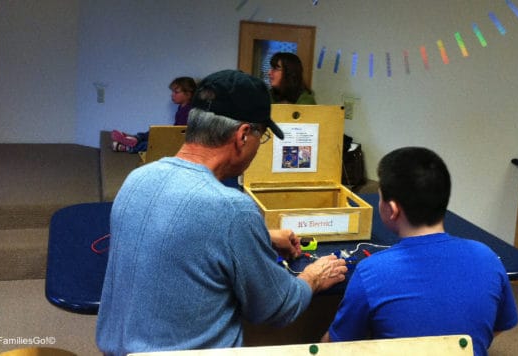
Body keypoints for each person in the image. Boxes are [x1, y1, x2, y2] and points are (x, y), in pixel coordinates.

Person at [96, 69, 348, 355]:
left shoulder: (138, 178)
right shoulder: (232, 209)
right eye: (261, 137)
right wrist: (313, 276)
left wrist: (262, 236)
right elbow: (277, 307)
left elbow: (181, 230)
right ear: (242, 135)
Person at [321, 147, 518, 356]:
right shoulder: (488, 257)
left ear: (392, 209)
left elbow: (337, 347)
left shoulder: (371, 272)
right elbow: (498, 326)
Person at [111, 76, 197, 153]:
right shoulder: (181, 107)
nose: (172, 95)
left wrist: (167, 137)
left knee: (153, 144)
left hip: (179, 142)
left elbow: (183, 133)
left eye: (176, 92)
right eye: (172, 92)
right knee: (153, 132)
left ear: (188, 94)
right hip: (174, 134)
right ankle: (135, 138)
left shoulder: (189, 111)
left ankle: (128, 147)